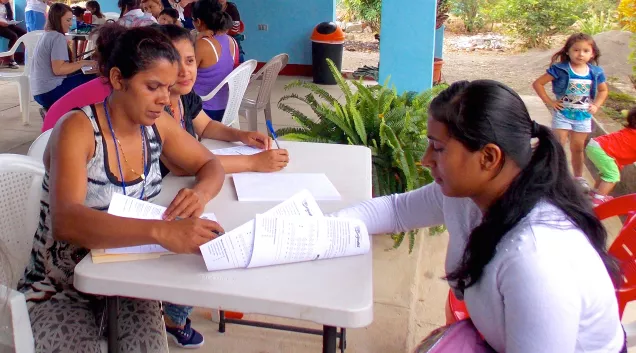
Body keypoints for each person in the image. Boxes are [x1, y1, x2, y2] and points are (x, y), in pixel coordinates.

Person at [333, 80, 626, 353]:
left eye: (438, 147)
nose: (424, 160)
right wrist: (321, 230)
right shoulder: (470, 195)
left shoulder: (535, 260)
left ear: (488, 157)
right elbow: (396, 210)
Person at [18, 24, 226, 352]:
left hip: (129, 279)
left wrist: (199, 194)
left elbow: (211, 165)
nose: (164, 99)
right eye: (153, 86)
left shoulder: (156, 125)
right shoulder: (78, 129)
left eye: (168, 87)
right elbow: (66, 220)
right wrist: (161, 232)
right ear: (118, 79)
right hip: (60, 288)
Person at [157, 24, 289, 177]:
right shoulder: (155, 108)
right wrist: (252, 162)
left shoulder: (184, 95)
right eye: (174, 63)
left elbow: (206, 126)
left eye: (190, 61)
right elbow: (182, 166)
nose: (185, 71)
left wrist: (241, 136)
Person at [532, 33, 609, 192]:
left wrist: (596, 105)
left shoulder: (595, 72)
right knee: (558, 146)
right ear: (567, 51)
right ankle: (556, 176)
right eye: (576, 50)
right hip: (563, 115)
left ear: (592, 53)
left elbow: (603, 91)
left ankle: (579, 178)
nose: (580, 54)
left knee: (577, 148)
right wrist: (550, 102)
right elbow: (538, 84)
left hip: (583, 117)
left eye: (586, 51)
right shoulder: (560, 69)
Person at [30, 3, 97, 110]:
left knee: (86, 67)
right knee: (98, 78)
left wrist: (84, 63)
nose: (71, 24)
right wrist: (83, 63)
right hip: (50, 93)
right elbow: (59, 69)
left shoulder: (47, 34)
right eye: (67, 20)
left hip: (40, 93)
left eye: (71, 20)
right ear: (57, 19)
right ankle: (88, 117)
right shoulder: (57, 37)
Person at [192, 0, 238, 121]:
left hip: (204, 109)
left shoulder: (203, 44)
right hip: (227, 106)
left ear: (198, 22)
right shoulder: (231, 41)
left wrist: (195, 40)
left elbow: (183, 73)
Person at [586, 107, 636, 206]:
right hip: (601, 149)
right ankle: (597, 201)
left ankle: (595, 193)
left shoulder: (631, 131)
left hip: (597, 146)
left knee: (606, 173)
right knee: (612, 175)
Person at [0, 0, 26, 69]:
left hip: (6, 24)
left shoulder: (7, 4)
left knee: (24, 34)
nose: (7, 0)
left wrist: (11, 21)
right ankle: (11, 60)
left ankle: (26, 57)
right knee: (13, 36)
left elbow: (10, 16)